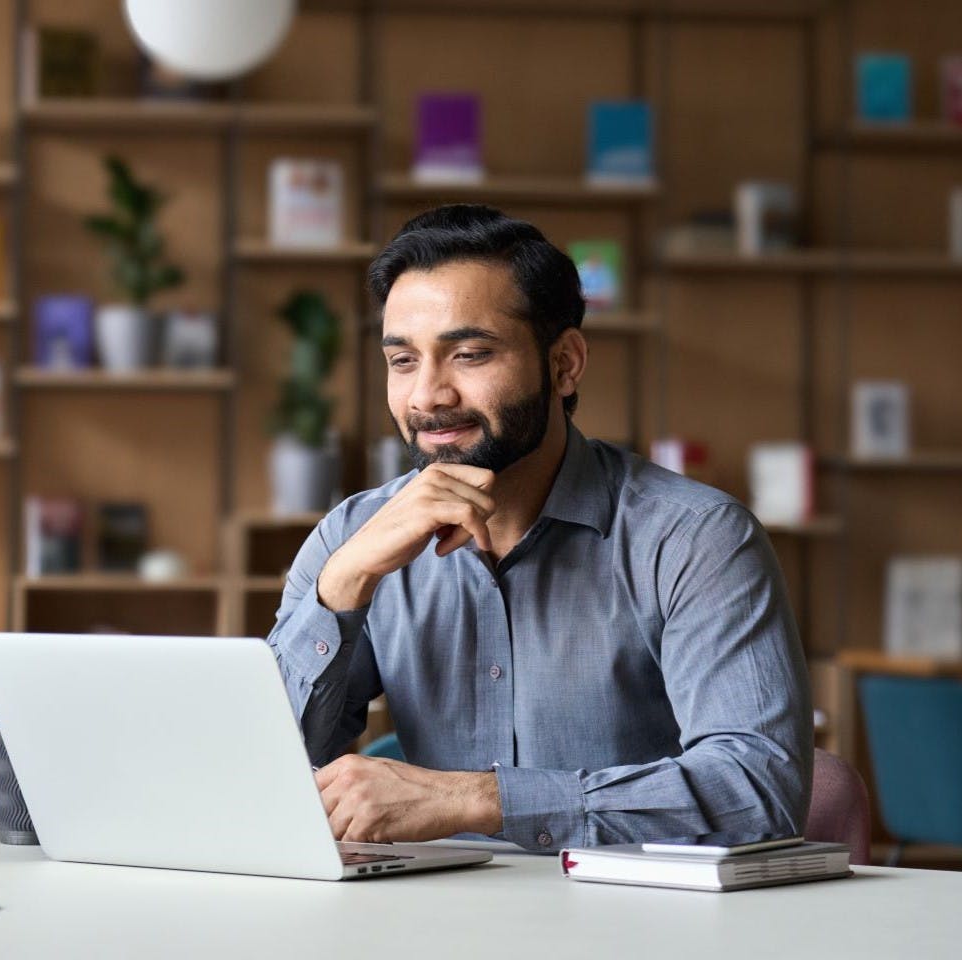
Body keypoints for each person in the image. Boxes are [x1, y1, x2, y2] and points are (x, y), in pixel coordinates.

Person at [267, 204, 813, 853]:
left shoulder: (695, 538)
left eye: (468, 354)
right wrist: (343, 587)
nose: (427, 397)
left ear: (564, 364)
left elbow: (757, 790)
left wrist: (478, 799)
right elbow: (257, 777)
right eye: (403, 360)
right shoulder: (350, 537)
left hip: (644, 926)